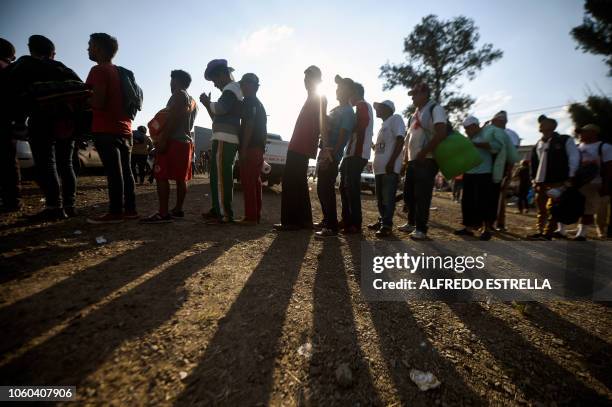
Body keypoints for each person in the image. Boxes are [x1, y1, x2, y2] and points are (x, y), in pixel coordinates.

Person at [8, 35, 83, 221]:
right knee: (66, 163)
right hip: (67, 122)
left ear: (31, 49)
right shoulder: (64, 68)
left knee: (46, 163)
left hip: (41, 119)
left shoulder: (25, 65)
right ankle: (70, 205)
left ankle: (54, 207)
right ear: (52, 53)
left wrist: (18, 121)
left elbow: (13, 94)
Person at [86, 33, 137, 224]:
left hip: (106, 129)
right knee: (126, 171)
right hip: (125, 129)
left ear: (98, 48)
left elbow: (98, 102)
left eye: (90, 45)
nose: (88, 49)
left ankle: (115, 212)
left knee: (114, 172)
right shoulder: (119, 72)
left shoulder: (98, 70)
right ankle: (130, 210)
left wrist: (82, 98)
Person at [274, 66, 326, 231]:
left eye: (309, 78)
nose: (306, 81)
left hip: (301, 147)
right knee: (298, 183)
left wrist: (325, 147)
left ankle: (291, 222)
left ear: (317, 80)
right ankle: (303, 221)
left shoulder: (319, 98)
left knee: (291, 183)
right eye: (304, 78)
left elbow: (322, 123)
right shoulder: (310, 98)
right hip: (297, 146)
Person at [142, 70, 197, 223]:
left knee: (161, 176)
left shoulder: (179, 95)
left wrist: (164, 139)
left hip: (173, 141)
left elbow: (174, 118)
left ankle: (163, 213)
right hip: (186, 143)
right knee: (181, 178)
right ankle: (178, 210)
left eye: (172, 81)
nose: (170, 84)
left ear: (177, 81)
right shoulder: (193, 101)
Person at [400, 83, 447, 240]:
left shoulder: (435, 108)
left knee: (422, 195)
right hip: (414, 160)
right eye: (412, 94)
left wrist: (425, 151)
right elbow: (409, 138)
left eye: (415, 94)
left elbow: (441, 132)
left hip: (427, 160)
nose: (412, 97)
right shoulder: (415, 114)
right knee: (409, 195)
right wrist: (406, 159)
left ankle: (421, 229)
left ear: (425, 93)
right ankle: (411, 223)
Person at [200, 59, 243, 224]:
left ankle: (223, 214)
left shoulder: (230, 89)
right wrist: (209, 105)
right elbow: (218, 116)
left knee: (220, 177)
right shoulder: (231, 90)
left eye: (214, 80)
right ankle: (218, 208)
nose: (214, 85)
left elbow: (220, 109)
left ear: (221, 75)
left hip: (225, 138)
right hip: (225, 138)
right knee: (219, 176)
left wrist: (207, 103)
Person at [314, 75, 355, 238]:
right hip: (324, 152)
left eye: (341, 87)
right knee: (320, 188)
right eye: (337, 87)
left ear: (349, 91)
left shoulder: (348, 111)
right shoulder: (335, 109)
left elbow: (343, 134)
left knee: (326, 187)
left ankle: (331, 226)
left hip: (332, 155)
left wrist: (332, 152)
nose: (337, 90)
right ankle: (326, 220)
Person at [528, 115, 580, 240]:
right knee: (541, 209)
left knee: (554, 208)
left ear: (552, 126)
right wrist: (533, 179)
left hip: (558, 180)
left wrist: (570, 176)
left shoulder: (564, 140)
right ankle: (541, 231)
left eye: (544, 123)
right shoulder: (538, 144)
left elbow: (574, 157)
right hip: (540, 181)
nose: (540, 125)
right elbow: (533, 163)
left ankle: (548, 233)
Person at [454, 116, 502, 240]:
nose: (466, 131)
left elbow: (496, 147)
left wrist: (476, 144)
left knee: (484, 202)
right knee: (467, 201)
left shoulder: (487, 134)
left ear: (475, 126)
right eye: (465, 129)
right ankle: (468, 228)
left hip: (484, 173)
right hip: (469, 173)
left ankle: (486, 229)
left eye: (468, 128)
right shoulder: (468, 138)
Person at [366, 100, 405, 237]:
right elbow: (382, 148)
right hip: (380, 169)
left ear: (388, 108)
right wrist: (372, 146)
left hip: (389, 168)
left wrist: (392, 161)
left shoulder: (396, 119)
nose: (377, 110)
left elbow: (401, 140)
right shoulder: (383, 125)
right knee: (381, 199)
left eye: (379, 107)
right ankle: (383, 221)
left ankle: (387, 225)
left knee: (388, 198)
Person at [339, 82, 373, 234]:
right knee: (345, 187)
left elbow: (362, 123)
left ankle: (355, 223)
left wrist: (347, 128)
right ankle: (347, 220)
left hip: (356, 153)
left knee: (351, 188)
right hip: (351, 153)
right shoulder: (361, 106)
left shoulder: (362, 105)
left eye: (350, 93)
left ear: (355, 93)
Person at [570, 124, 611, 240]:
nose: (580, 135)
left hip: (595, 183)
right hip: (579, 183)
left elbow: (609, 168)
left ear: (593, 133)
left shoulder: (604, 147)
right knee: (579, 207)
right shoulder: (578, 147)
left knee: (590, 208)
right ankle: (580, 229)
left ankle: (583, 233)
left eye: (584, 132)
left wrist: (606, 185)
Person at [237, 73, 267, 225]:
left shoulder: (249, 101)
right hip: (258, 148)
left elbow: (249, 124)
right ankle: (255, 215)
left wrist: (243, 148)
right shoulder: (258, 103)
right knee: (255, 181)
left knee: (248, 181)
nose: (242, 86)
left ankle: (251, 217)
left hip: (250, 147)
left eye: (244, 83)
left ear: (253, 86)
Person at [0, 38, 21, 213]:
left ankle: (11, 200)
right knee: (8, 161)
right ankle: (12, 199)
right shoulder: (13, 71)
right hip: (8, 122)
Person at [491, 110, 520, 231]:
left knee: (499, 196)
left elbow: (512, 154)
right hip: (490, 167)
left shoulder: (510, 134)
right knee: (491, 196)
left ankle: (499, 223)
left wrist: (509, 170)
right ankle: (489, 222)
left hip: (503, 168)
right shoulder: (491, 132)